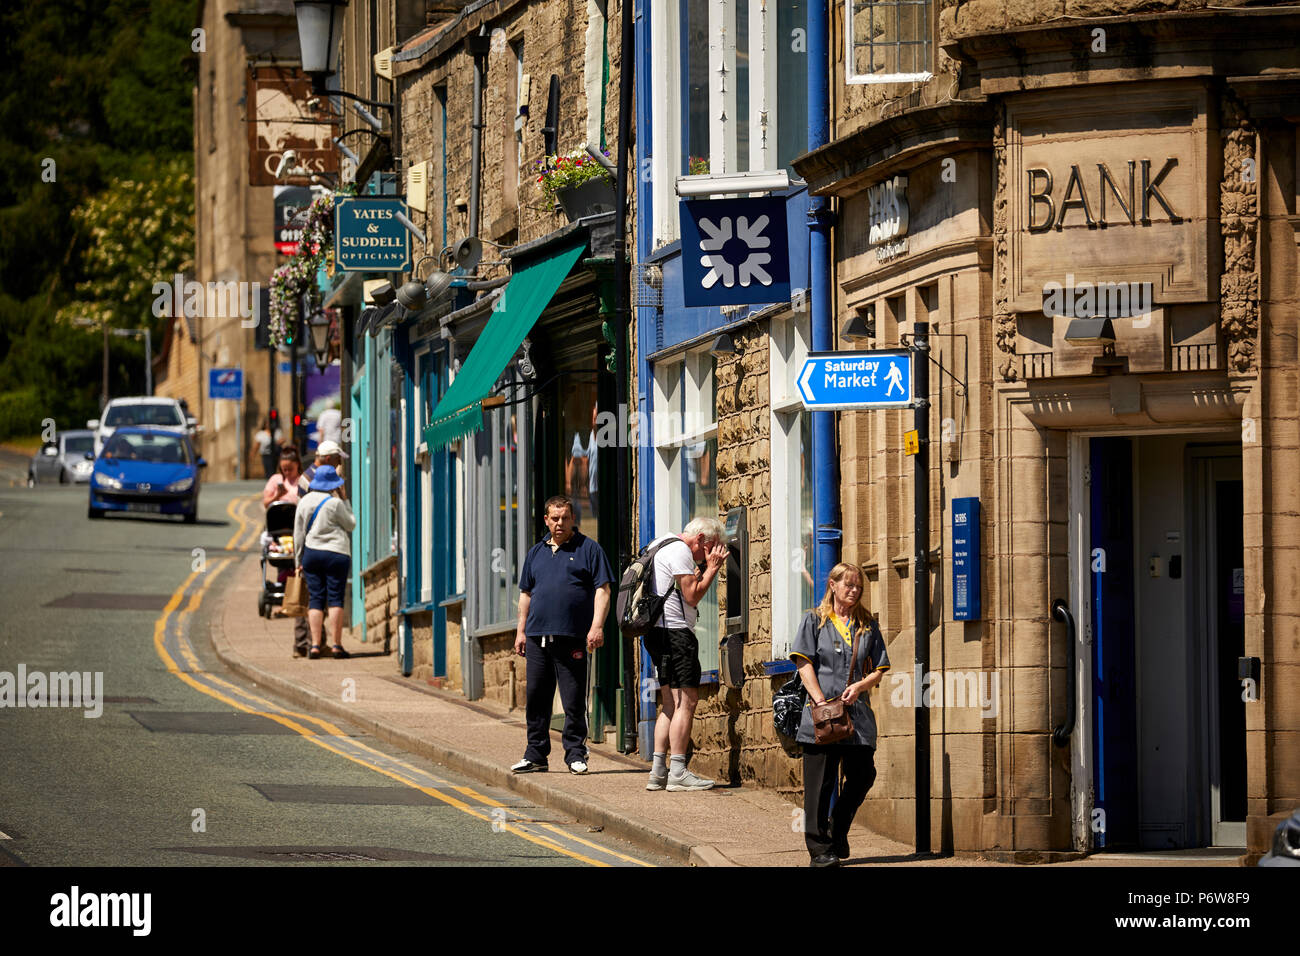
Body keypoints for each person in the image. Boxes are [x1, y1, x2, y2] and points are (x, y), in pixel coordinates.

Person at [790, 562, 890, 867]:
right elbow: (803, 663)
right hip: (820, 717)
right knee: (820, 786)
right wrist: (820, 700)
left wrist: (861, 685)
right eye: (848, 585)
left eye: (858, 586)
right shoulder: (814, 621)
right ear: (832, 585)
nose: (855, 590)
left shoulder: (867, 625)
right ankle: (819, 850)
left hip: (856, 717)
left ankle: (838, 827)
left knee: (863, 775)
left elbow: (880, 669)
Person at [511, 495, 615, 775]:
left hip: (571, 637)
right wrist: (521, 631)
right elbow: (526, 594)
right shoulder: (535, 553)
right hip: (536, 637)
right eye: (554, 518)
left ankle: (575, 754)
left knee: (572, 699)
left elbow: (603, 590)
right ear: (546, 519)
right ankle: (535, 754)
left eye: (565, 518)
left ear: (573, 519)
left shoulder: (588, 549)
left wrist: (596, 626)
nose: (560, 523)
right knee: (536, 698)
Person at [644, 516, 727, 792]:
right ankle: (678, 770)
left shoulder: (660, 543)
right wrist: (712, 569)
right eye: (712, 547)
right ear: (701, 539)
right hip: (676, 635)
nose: (710, 555)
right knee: (687, 701)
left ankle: (658, 771)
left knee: (669, 702)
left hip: (656, 633)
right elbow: (691, 596)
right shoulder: (680, 551)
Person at [294, 464, 356, 659]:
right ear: (333, 485)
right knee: (335, 598)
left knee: (316, 599)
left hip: (312, 554)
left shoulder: (304, 502)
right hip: (336, 553)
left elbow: (298, 534)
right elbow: (351, 524)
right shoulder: (335, 503)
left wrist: (298, 561)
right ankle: (336, 645)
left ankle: (314, 645)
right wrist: (344, 498)